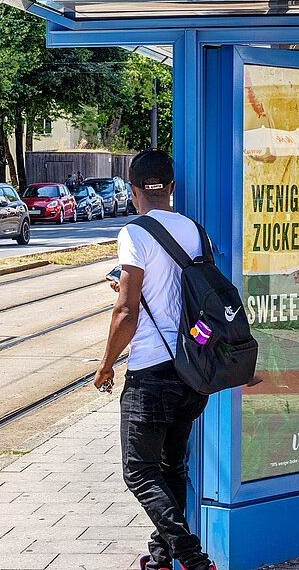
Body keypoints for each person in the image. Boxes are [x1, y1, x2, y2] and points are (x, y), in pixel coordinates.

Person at [94, 150, 212, 570]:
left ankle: (194, 560)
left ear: (133, 190)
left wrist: (106, 364)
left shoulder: (134, 233)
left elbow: (126, 310)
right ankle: (162, 559)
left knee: (139, 471)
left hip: (151, 371)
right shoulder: (197, 231)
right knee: (171, 466)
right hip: (191, 370)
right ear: (172, 188)